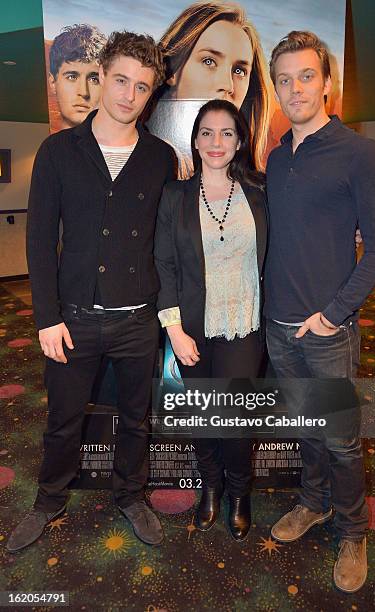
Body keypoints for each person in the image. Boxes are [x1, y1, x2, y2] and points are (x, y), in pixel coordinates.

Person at [7, 31, 176, 553]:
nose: (128, 94)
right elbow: (39, 241)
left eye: (142, 87)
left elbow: (167, 240)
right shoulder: (59, 151)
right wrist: (45, 317)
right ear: (102, 77)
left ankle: (131, 496)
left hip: (137, 320)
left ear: (151, 95)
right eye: (121, 80)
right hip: (74, 318)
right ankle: (48, 500)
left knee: (135, 419)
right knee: (62, 420)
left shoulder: (160, 157)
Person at [264, 31, 375, 592]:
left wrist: (334, 313)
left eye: (306, 76)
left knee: (340, 438)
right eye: (285, 80)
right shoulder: (274, 158)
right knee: (305, 428)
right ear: (275, 88)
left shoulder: (359, 152)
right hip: (277, 325)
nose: (296, 88)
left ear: (326, 82)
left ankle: (352, 529)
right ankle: (314, 503)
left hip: (327, 330)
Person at [154, 99, 267, 541]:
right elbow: (163, 264)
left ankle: (239, 493)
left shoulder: (260, 194)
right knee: (203, 419)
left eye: (226, 133)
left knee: (235, 422)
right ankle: (211, 488)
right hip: (191, 329)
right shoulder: (175, 196)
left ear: (239, 141)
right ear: (196, 140)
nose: (215, 142)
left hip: (244, 325)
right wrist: (174, 330)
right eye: (206, 132)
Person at [150, 1, 270, 177]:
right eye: (209, 61)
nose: (227, 85)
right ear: (172, 70)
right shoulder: (153, 161)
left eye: (239, 71)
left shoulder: (253, 183)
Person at [48, 24, 107, 130]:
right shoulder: (49, 146)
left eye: (94, 79)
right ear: (53, 82)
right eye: (72, 77)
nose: (84, 92)